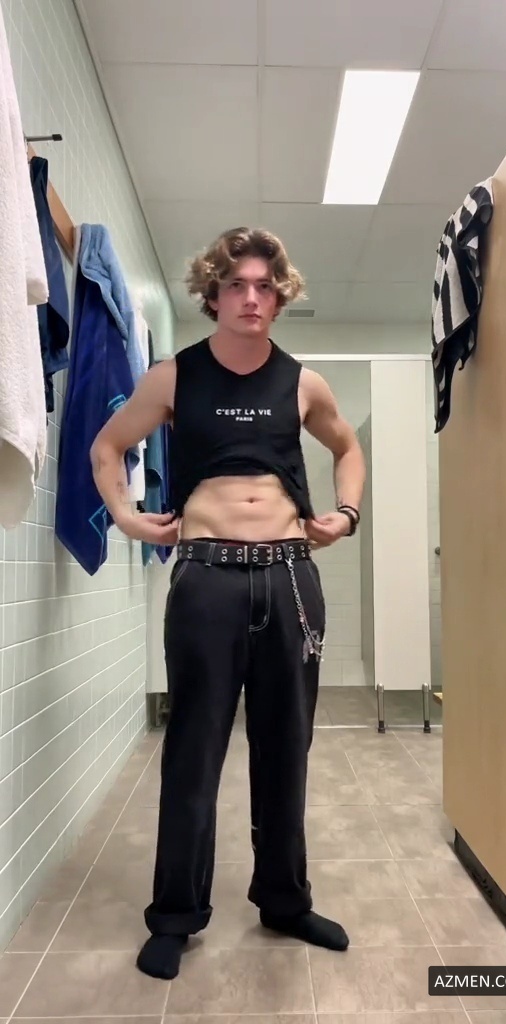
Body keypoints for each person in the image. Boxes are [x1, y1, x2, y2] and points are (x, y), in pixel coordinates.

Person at [90, 227, 366, 980]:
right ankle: (176, 915)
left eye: (265, 287)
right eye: (237, 285)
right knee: (193, 749)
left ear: (280, 298)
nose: (252, 297)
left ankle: (284, 900)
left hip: (289, 577)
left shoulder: (303, 383)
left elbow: (348, 448)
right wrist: (125, 517)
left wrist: (346, 514)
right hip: (207, 578)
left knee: (286, 747)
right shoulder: (173, 378)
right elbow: (107, 447)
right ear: (212, 295)